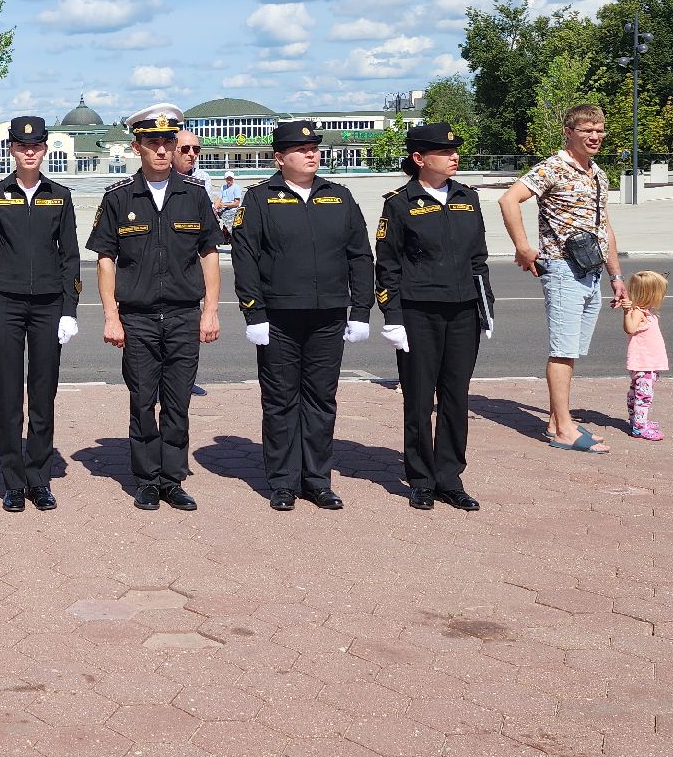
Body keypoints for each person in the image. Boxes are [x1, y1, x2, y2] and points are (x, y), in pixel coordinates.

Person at [232, 119, 372, 512]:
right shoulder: (260, 199)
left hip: (328, 315)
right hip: (278, 318)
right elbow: (246, 259)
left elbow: (360, 256)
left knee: (321, 400)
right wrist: (253, 313)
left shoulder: (339, 196)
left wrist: (360, 310)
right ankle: (282, 481)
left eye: (314, 148)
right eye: (300, 149)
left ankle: (317, 480)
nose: (311, 153)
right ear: (280, 158)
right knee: (280, 400)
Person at [88, 103, 221, 511]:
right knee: (143, 399)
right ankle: (146, 479)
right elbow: (105, 258)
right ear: (137, 146)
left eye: (168, 141)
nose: (161, 149)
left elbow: (209, 253)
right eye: (152, 142)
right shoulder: (118, 198)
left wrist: (211, 309)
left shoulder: (195, 196)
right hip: (138, 317)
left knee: (178, 400)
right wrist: (111, 315)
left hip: (183, 313)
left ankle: (172, 478)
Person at [498, 103, 626, 455]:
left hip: (592, 271)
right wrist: (524, 248)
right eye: (587, 131)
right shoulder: (552, 168)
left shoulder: (597, 173)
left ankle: (558, 420)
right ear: (569, 133)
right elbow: (509, 200)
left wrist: (616, 275)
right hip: (562, 269)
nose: (595, 136)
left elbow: (605, 228)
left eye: (599, 130)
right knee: (563, 349)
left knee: (573, 351)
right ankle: (563, 430)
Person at [376, 123, 491, 512]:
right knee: (420, 397)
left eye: (455, 151)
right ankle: (421, 478)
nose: (454, 156)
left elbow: (479, 259)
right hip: (418, 312)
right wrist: (392, 316)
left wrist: (485, 307)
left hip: (463, 312)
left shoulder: (467, 198)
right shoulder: (399, 203)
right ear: (419, 158)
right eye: (444, 152)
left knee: (456, 397)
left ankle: (450, 477)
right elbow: (387, 265)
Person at [0, 116, 80, 512]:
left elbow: (71, 258)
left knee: (43, 393)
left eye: (35, 146)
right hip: (6, 304)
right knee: (8, 394)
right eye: (21, 145)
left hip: (49, 305)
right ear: (12, 150)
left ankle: (39, 478)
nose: (29, 151)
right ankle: (13, 481)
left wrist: (69, 309)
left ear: (45, 149)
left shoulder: (61, 195)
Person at [174, 128, 216, 397]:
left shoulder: (202, 181)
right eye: (186, 149)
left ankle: (187, 381)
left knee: (189, 332)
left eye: (196, 150)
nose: (192, 155)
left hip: (190, 265)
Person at [622, 270, 671, 440]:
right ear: (650, 294)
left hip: (648, 363)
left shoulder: (646, 311)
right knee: (643, 395)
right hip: (645, 364)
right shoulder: (638, 312)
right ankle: (639, 427)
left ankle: (637, 420)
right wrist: (626, 312)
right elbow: (629, 328)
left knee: (636, 392)